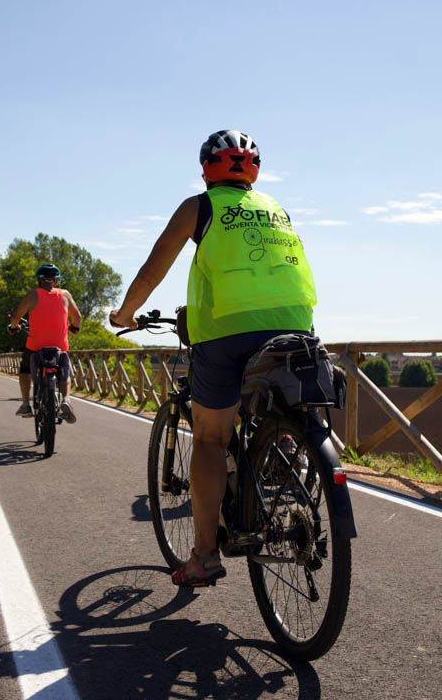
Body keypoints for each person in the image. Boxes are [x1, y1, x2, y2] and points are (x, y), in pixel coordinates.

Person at [109, 130, 317, 587]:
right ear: (254, 172)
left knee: (209, 438)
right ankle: (285, 448)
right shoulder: (275, 209)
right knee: (278, 404)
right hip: (297, 326)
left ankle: (203, 555)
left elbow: (153, 268)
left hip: (224, 331)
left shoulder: (199, 207)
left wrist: (124, 314)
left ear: (207, 169)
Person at [7, 263, 83, 422]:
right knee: (65, 373)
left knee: (25, 372)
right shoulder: (65, 294)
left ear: (38, 280)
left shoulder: (32, 294)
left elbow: (16, 318)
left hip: (35, 346)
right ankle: (66, 400)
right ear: (55, 281)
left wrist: (13, 327)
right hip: (60, 346)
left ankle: (26, 404)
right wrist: (75, 327)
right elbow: (78, 317)